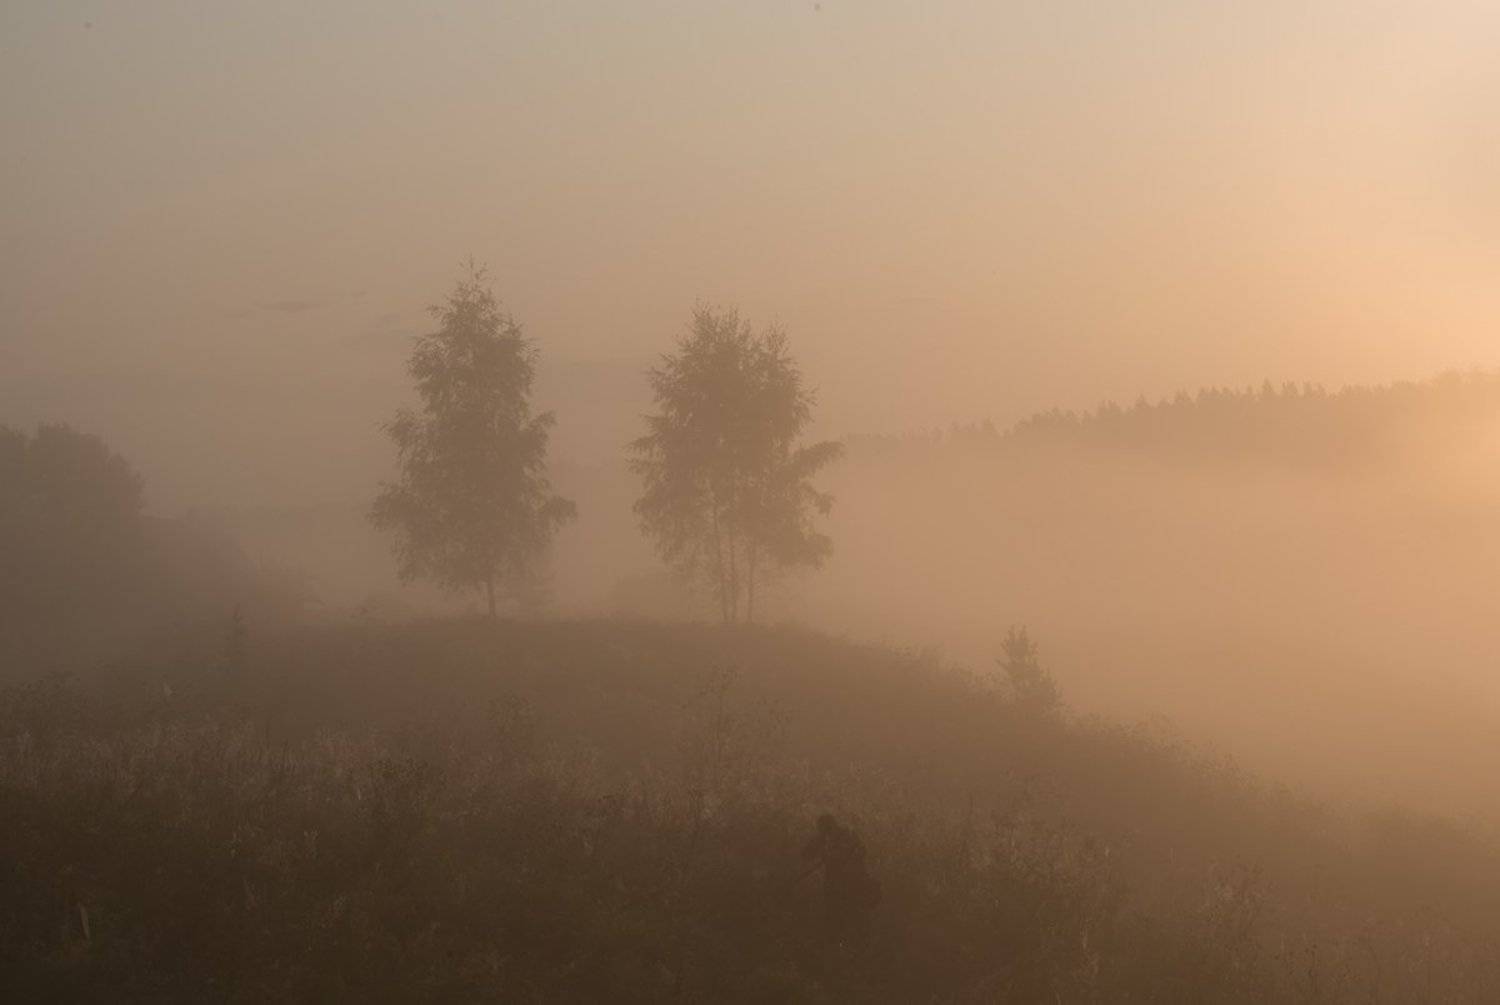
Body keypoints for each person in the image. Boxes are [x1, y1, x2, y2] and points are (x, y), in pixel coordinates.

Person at [801, 813, 881, 930]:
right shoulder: (827, 838)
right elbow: (807, 854)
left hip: (850, 885)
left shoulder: (846, 835)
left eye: (825, 829)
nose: (826, 832)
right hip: (838, 886)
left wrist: (829, 854)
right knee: (838, 916)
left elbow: (858, 852)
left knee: (850, 916)